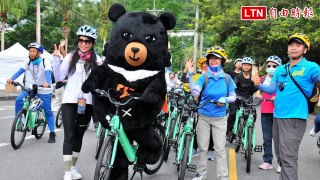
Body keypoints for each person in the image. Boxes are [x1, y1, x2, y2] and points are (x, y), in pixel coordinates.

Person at [253, 33, 320, 180]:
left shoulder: (310, 67)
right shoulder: (281, 69)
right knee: (282, 158)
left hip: (295, 118)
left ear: (305, 49)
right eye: (291, 45)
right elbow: (272, 90)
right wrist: (259, 84)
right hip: (277, 117)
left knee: (289, 158)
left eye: (298, 45)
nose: (294, 48)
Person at [52, 25, 102, 180]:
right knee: (69, 135)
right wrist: (56, 59)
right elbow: (59, 76)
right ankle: (67, 172)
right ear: (77, 41)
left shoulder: (97, 60)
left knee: (79, 135)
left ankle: (73, 167)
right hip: (69, 101)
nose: (84, 43)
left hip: (87, 103)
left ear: (92, 43)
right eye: (81, 40)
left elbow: (103, 78)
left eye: (87, 41)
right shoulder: (70, 57)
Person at [188, 46, 237, 180]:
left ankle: (223, 177)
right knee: (202, 148)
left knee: (220, 149)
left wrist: (225, 99)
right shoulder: (204, 77)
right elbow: (195, 93)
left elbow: (233, 96)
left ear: (222, 61)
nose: (213, 61)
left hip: (220, 118)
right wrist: (191, 78)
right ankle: (201, 174)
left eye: (216, 58)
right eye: (211, 58)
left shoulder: (227, 78)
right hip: (203, 116)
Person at [6, 42, 56, 143]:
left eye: (34, 51)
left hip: (44, 88)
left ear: (39, 53)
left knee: (47, 111)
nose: (31, 53)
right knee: (19, 100)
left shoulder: (45, 61)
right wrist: (11, 78)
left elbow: (48, 72)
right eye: (30, 51)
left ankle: (52, 133)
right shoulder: (28, 61)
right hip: (31, 87)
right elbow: (20, 71)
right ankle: (19, 121)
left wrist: (47, 82)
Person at [255, 56, 282, 172]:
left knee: (279, 139)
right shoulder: (262, 79)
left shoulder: (282, 79)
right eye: (269, 66)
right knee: (267, 138)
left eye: (274, 66)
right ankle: (267, 161)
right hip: (265, 111)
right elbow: (255, 87)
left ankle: (281, 163)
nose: (271, 68)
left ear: (279, 67)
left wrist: (278, 96)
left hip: (278, 112)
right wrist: (257, 92)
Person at [227, 57, 258, 134]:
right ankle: (229, 131)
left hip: (248, 99)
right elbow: (233, 86)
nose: (246, 66)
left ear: (250, 67)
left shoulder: (253, 77)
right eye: (244, 65)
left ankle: (247, 131)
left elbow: (256, 88)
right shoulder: (238, 76)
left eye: (248, 65)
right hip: (237, 97)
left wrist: (256, 86)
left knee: (252, 114)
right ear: (242, 65)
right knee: (232, 113)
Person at [52, 39, 67, 112]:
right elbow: (65, 56)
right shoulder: (59, 63)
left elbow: (65, 56)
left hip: (60, 85)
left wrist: (61, 48)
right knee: (62, 102)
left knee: (58, 102)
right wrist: (61, 48)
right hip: (61, 86)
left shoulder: (59, 63)